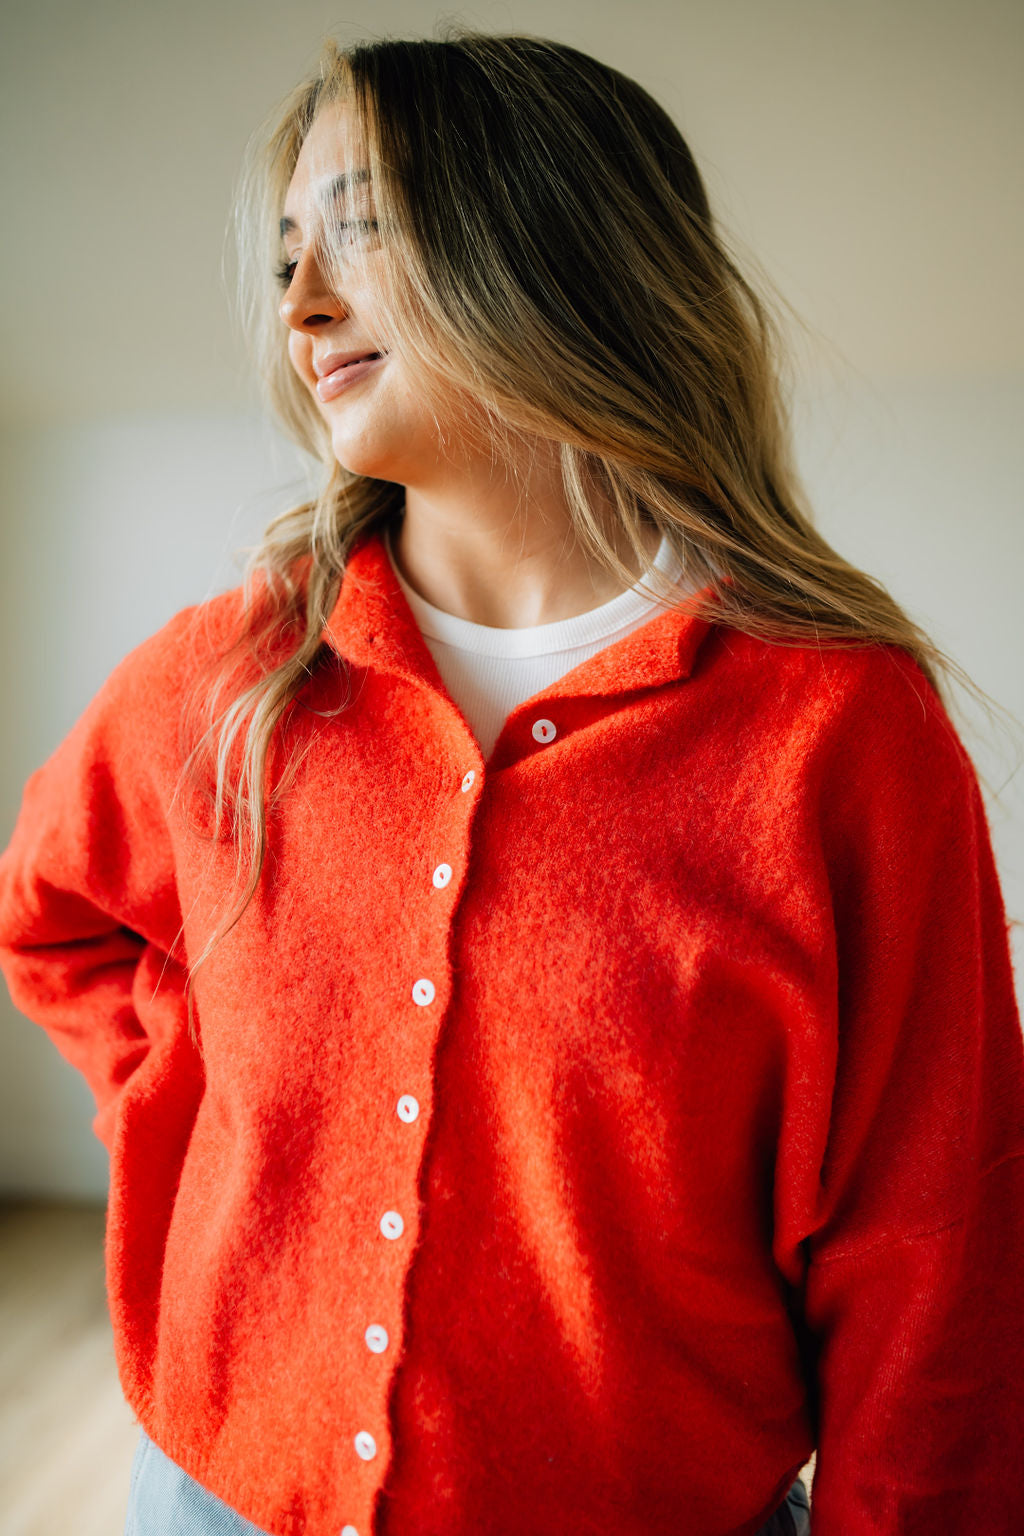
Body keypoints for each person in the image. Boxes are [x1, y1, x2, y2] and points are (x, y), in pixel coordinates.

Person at [0, 28, 1021, 1536]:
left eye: (360, 230)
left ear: (556, 244)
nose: (302, 304)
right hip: (215, 1501)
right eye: (286, 253)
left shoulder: (837, 737)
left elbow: (934, 1253)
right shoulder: (221, 680)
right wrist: (211, 1130)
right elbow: (57, 919)